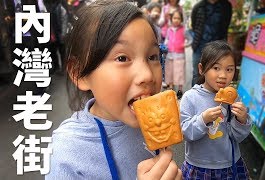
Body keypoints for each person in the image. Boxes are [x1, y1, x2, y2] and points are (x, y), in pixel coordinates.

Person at [46, 1, 182, 179]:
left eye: (152, 56)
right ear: (80, 74)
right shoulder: (68, 153)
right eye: (122, 57)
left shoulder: (152, 124)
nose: (147, 75)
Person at [179, 41, 252, 179]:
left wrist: (242, 120)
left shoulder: (232, 98)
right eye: (216, 68)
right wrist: (203, 119)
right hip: (199, 165)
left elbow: (238, 137)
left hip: (229, 164)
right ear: (201, 69)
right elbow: (185, 133)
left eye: (229, 69)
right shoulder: (190, 97)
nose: (223, 75)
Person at [190, 0, 232, 86]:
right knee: (197, 73)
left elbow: (225, 25)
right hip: (200, 47)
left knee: (218, 74)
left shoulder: (226, 6)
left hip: (218, 48)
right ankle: (194, 97)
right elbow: (195, 26)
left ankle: (213, 98)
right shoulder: (199, 6)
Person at [164, 10, 192, 99]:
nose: (176, 20)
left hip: (180, 56)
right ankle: (171, 89)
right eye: (174, 18)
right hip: (169, 55)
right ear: (171, 19)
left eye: (178, 18)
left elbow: (190, 39)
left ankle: (180, 90)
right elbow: (167, 39)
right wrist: (165, 45)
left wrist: (186, 44)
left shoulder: (184, 30)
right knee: (169, 72)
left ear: (181, 20)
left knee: (179, 73)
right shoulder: (169, 30)